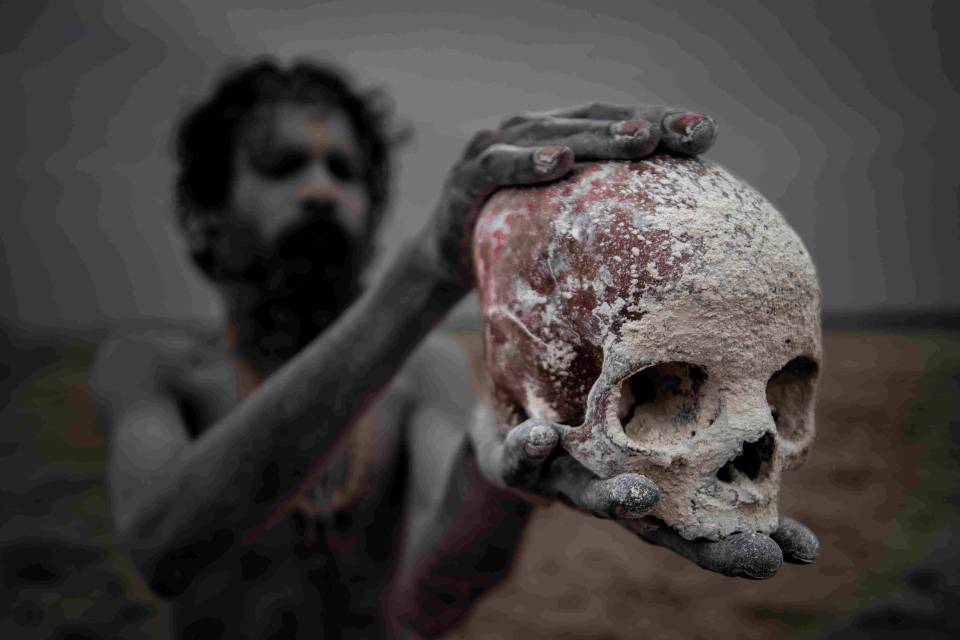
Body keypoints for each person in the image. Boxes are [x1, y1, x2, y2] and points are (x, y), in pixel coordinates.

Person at [89, 58, 820, 639]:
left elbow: (426, 606)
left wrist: (504, 476)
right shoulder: (148, 365)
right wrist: (426, 272)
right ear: (204, 213)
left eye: (345, 172)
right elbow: (163, 548)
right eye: (282, 167)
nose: (320, 190)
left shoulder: (426, 372)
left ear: (372, 206)